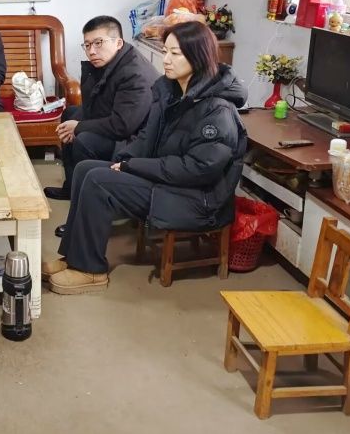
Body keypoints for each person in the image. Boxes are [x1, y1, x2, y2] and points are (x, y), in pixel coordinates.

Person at [43, 21, 247, 295]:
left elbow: (198, 169)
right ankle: (73, 256)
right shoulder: (171, 92)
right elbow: (146, 138)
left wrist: (134, 166)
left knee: (98, 181)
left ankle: (90, 270)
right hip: (168, 182)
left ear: (198, 57)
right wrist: (125, 161)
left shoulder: (217, 109)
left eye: (175, 54)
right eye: (165, 51)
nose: (166, 60)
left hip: (197, 198)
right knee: (85, 169)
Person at [44, 16, 156, 203]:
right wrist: (76, 124)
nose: (92, 51)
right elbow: (94, 103)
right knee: (70, 114)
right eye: (87, 45)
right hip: (117, 119)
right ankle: (72, 187)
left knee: (84, 140)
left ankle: (85, 201)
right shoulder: (109, 61)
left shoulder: (135, 74)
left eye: (98, 43)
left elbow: (122, 126)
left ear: (118, 42)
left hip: (136, 137)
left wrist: (79, 127)